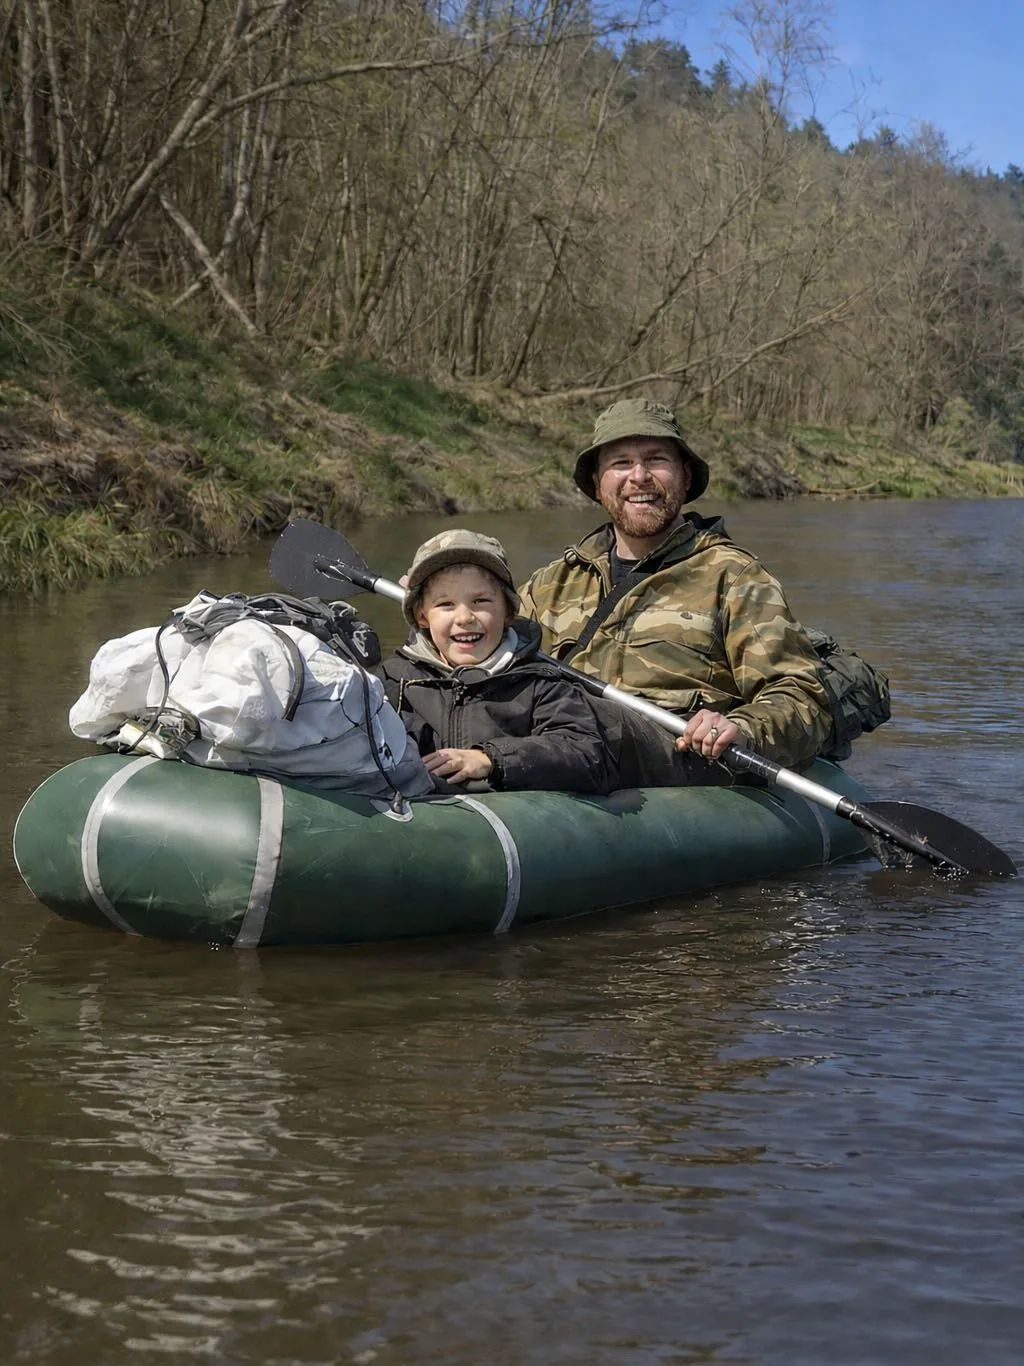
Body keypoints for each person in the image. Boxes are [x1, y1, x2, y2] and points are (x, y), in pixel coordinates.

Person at [519, 398, 832, 783]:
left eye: (656, 460)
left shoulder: (734, 578)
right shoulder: (549, 585)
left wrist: (742, 728)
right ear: (598, 484)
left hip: (674, 775)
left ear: (684, 476)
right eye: (621, 463)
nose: (639, 476)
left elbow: (801, 696)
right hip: (556, 762)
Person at [381, 529, 618, 794]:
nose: (464, 617)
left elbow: (586, 754)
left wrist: (492, 759)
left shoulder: (542, 684)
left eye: (480, 601)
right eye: (446, 604)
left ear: (508, 611)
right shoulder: (394, 682)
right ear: (422, 617)